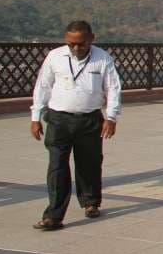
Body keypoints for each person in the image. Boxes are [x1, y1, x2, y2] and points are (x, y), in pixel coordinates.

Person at [30, 21, 122, 231]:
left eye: (80, 44)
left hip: (89, 120)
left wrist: (112, 117)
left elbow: (113, 88)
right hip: (58, 119)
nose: (75, 49)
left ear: (92, 39)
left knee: (89, 163)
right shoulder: (55, 57)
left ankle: (91, 202)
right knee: (57, 166)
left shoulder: (103, 58)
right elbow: (42, 86)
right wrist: (36, 117)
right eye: (71, 44)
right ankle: (53, 215)